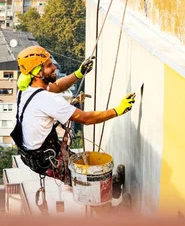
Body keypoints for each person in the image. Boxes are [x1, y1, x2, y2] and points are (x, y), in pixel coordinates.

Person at [12, 45, 136, 178]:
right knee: (87, 179)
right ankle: (110, 190)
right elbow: (86, 119)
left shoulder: (26, 89)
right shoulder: (47, 100)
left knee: (84, 167)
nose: (54, 67)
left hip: (32, 154)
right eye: (49, 66)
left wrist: (79, 73)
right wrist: (117, 110)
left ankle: (110, 186)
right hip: (44, 159)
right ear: (37, 73)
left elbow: (58, 86)